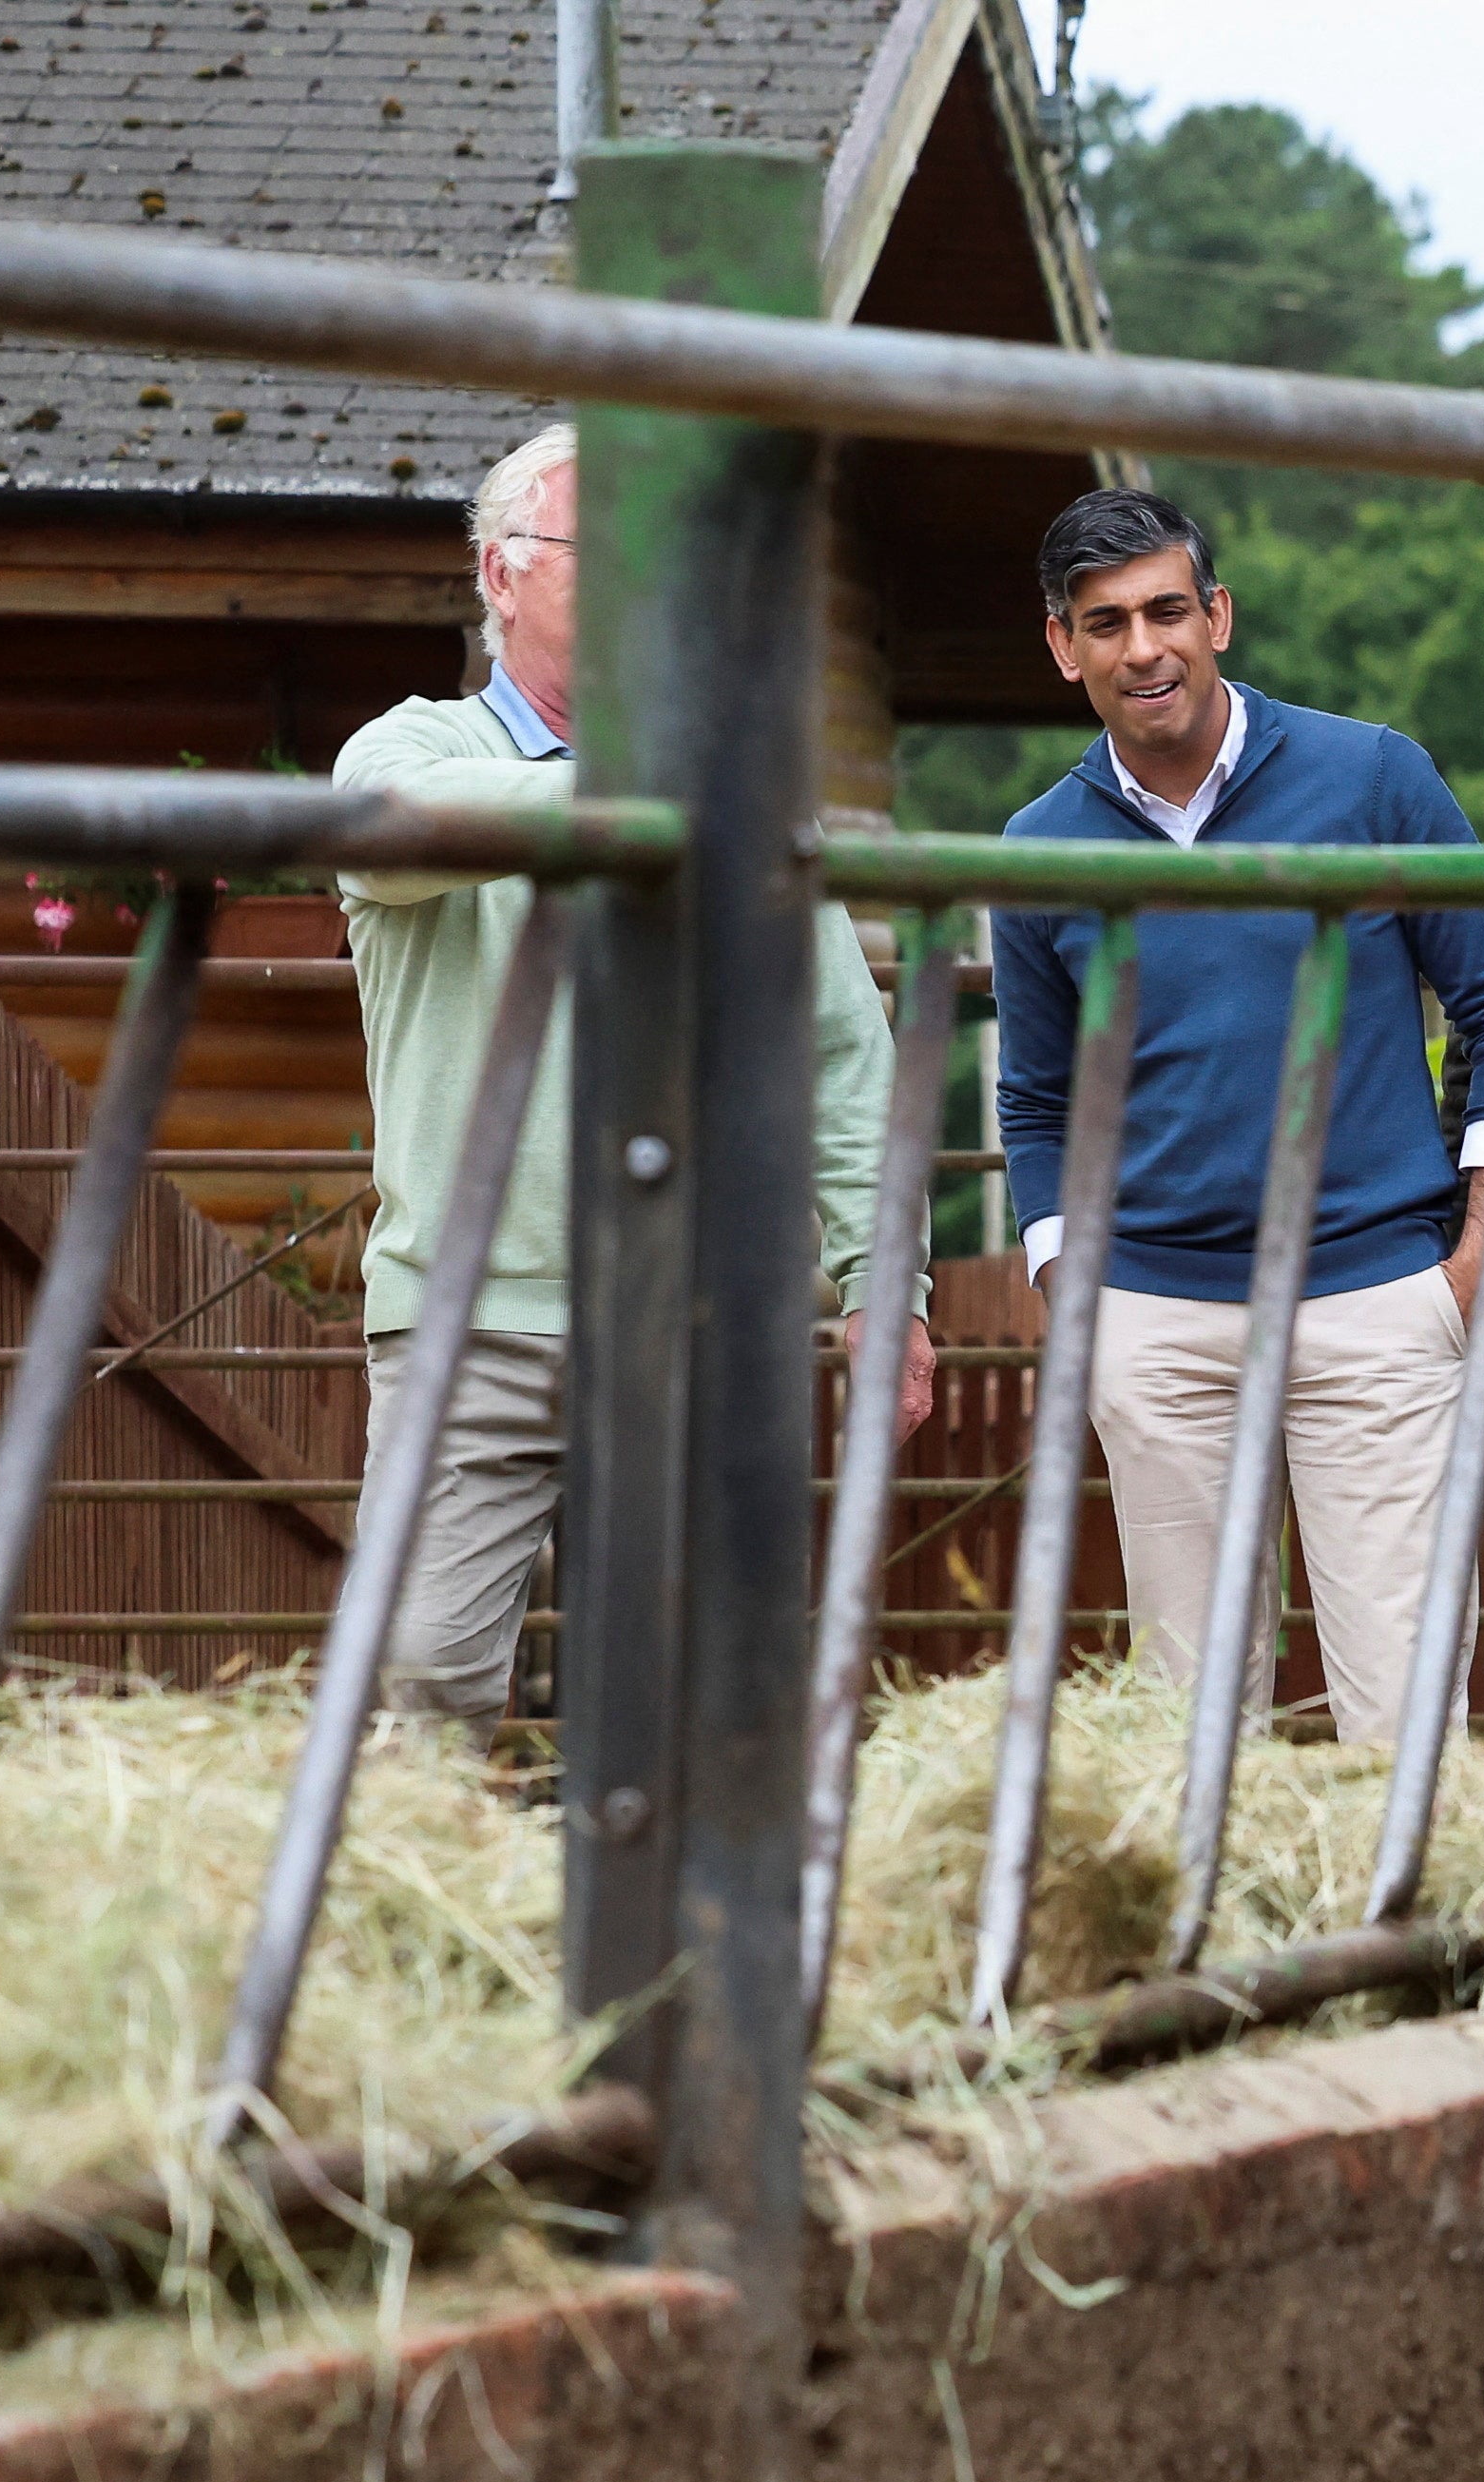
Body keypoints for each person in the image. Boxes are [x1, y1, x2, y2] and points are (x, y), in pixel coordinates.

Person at [331, 421, 922, 1735]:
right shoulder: (413, 747)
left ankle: (678, 1889)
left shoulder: (732, 786)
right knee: (417, 1679)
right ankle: (428, 1875)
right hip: (469, 1317)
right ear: (499, 574)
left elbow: (837, 1043)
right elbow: (384, 841)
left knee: (697, 1706)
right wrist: (648, 792)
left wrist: (888, 1276)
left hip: (696, 1316)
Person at [987, 486, 1484, 1740]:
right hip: (1158, 1322)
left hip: (1377, 1298)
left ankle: (1403, 1885)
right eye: (1106, 622)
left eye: (1168, 611)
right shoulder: (1037, 844)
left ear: (1218, 616)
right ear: (1064, 646)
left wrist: (1478, 1253)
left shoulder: (1373, 776)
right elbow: (1037, 1095)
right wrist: (1073, 1283)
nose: (1145, 648)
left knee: (1404, 1719)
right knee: (1191, 1728)